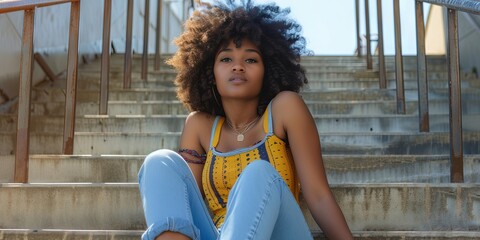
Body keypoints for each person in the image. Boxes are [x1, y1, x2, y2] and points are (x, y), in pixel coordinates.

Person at [138, 0, 353, 239]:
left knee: (258, 172)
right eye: (226, 59)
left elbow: (319, 195)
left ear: (267, 70)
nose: (238, 66)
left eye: (250, 60)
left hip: (279, 233)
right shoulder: (200, 126)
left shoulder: (285, 109)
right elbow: (186, 206)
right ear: (210, 72)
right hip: (220, 233)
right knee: (160, 162)